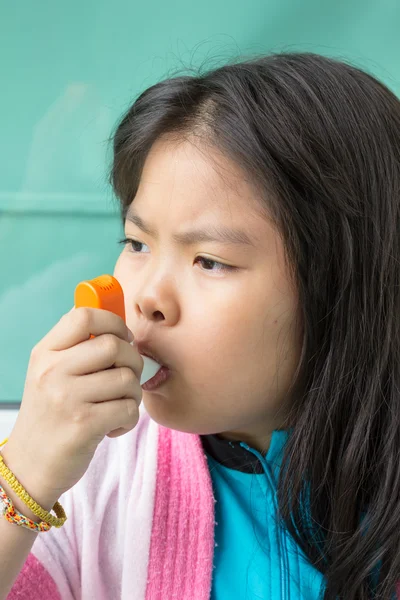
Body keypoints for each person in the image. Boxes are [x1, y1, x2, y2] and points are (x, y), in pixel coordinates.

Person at [0, 51, 399, 600]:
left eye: (208, 260)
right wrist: (23, 478)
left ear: (345, 281)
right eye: (136, 243)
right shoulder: (82, 477)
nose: (147, 299)